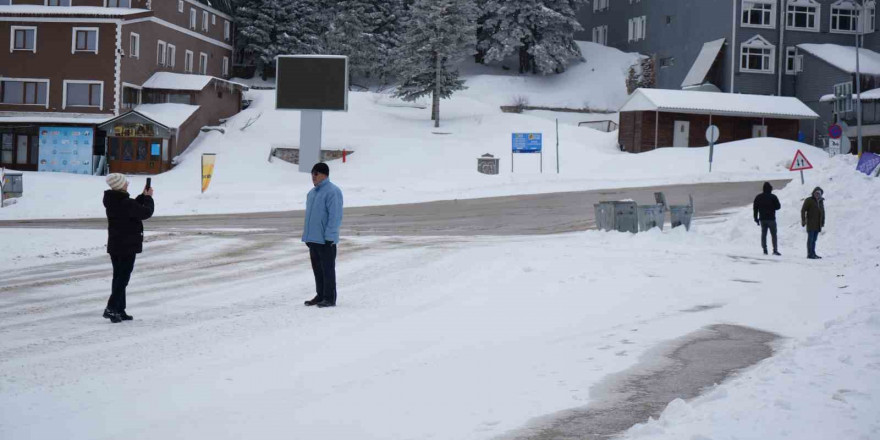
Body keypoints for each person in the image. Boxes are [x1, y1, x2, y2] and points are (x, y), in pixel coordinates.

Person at [103, 173, 154, 323]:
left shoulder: (113, 200)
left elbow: (132, 208)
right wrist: (149, 198)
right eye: (125, 182)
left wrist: (142, 196)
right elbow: (145, 212)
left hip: (116, 244)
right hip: (127, 245)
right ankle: (111, 308)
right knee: (123, 278)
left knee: (118, 277)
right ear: (120, 185)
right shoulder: (125, 203)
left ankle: (119, 309)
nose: (127, 184)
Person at [302, 163, 343, 308]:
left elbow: (335, 216)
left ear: (324, 175)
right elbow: (310, 217)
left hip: (326, 240)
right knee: (317, 270)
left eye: (316, 174)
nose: (313, 177)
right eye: (312, 173)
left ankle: (329, 298)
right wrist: (306, 237)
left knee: (327, 270)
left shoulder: (333, 192)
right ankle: (320, 295)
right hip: (313, 239)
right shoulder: (312, 193)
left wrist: (330, 237)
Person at [753, 182, 782, 256]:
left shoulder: (758, 197)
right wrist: (772, 206)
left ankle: (765, 250)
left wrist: (756, 218)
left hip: (762, 219)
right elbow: (778, 207)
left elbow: (755, 208)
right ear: (770, 189)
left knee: (763, 234)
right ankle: (775, 250)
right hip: (771, 219)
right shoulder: (773, 197)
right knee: (774, 235)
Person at [800, 186, 825, 260]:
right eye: (816, 193)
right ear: (813, 193)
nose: (817, 195)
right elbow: (803, 210)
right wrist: (803, 220)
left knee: (814, 240)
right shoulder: (809, 200)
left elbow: (823, 212)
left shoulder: (821, 201)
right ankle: (810, 254)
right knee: (810, 239)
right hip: (811, 223)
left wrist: (822, 221)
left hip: (818, 224)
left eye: (819, 193)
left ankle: (813, 253)